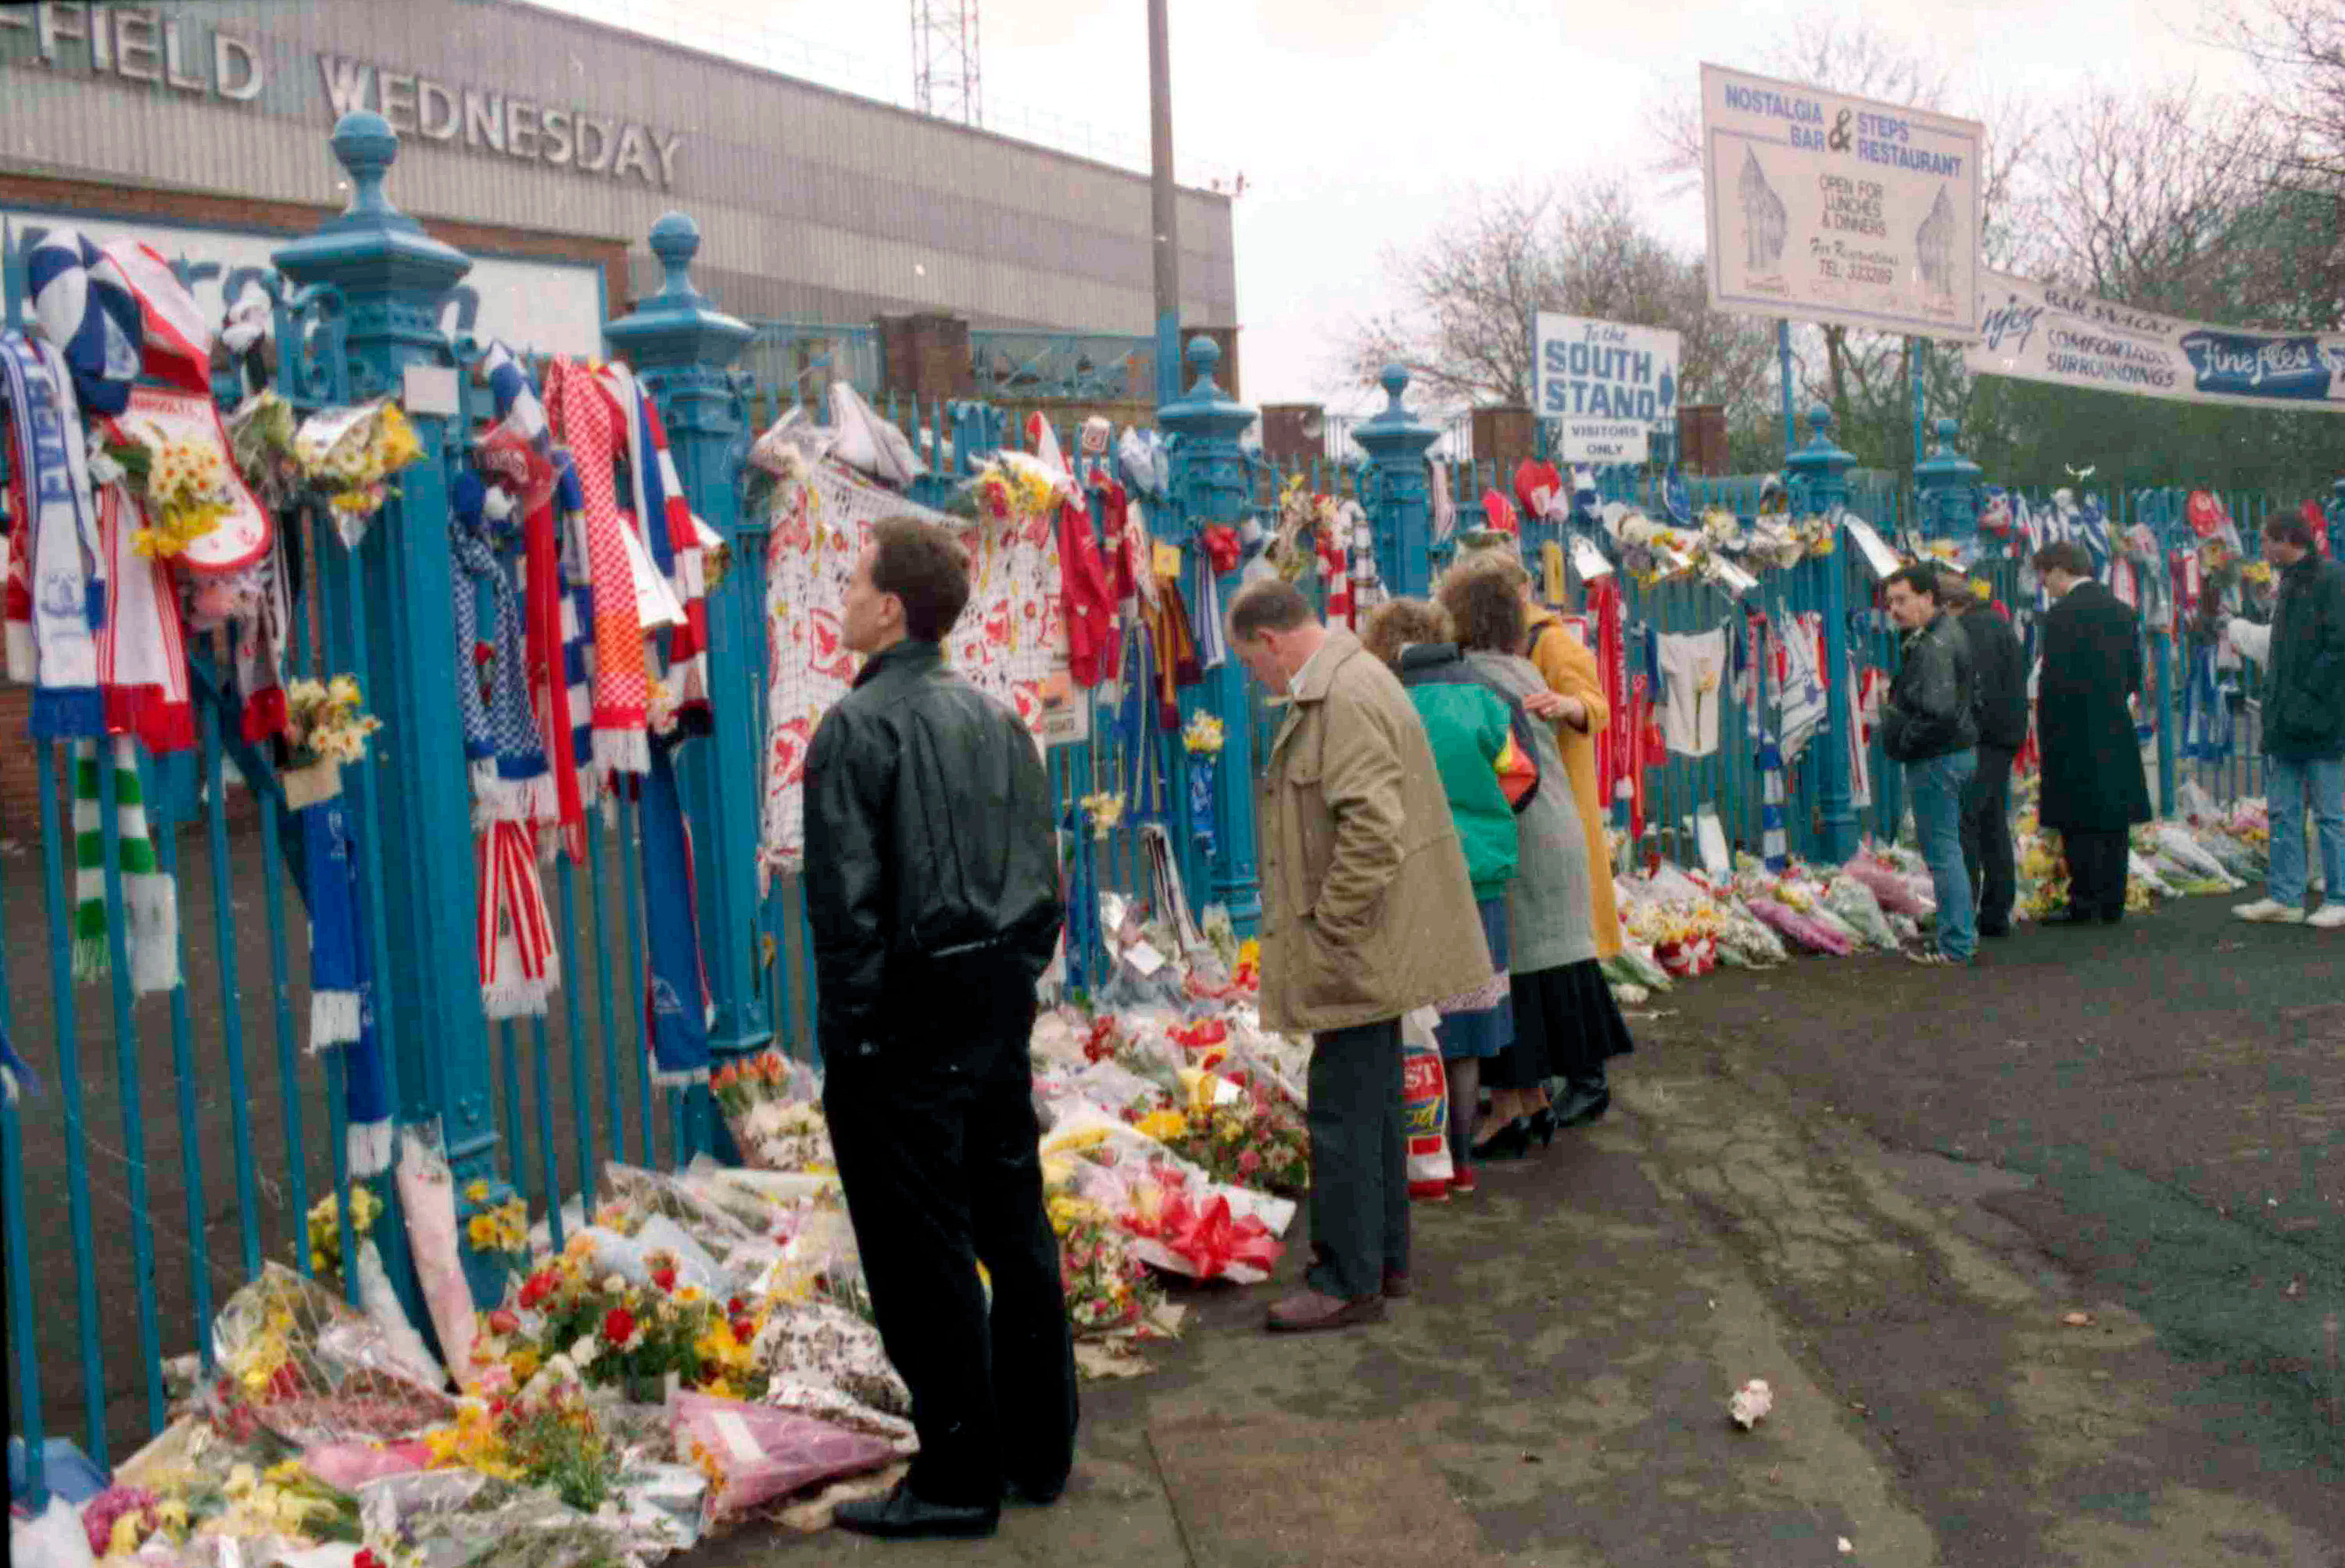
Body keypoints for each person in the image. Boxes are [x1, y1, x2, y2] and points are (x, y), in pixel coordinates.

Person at [804, 517, 1075, 1540]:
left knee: (924, 1255)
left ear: (892, 607)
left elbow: (847, 909)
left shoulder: (857, 727)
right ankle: (1038, 1448)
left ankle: (959, 1469)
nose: (843, 595)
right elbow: (1045, 881)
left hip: (906, 1028)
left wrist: (856, 1039)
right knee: (1013, 1226)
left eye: (856, 581)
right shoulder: (997, 719)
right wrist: (1009, 983)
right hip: (995, 1010)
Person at [1226, 578, 1491, 1332]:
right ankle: (1384, 1263)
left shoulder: (1338, 696)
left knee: (1344, 1111)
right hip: (1372, 940)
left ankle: (1345, 1279)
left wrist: (1329, 926)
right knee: (1373, 1107)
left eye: (1253, 663)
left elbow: (1372, 830)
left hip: (1356, 943)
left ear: (1271, 642)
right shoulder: (1358, 676)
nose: (1258, 679)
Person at [1440, 564, 1634, 1143]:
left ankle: (1523, 1105)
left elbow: (1594, 704)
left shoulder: (1493, 667)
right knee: (1553, 971)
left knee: (1520, 972)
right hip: (1555, 825)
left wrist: (1573, 709)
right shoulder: (1523, 664)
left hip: (1526, 832)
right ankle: (1530, 1100)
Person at [1362, 598, 1530, 1197]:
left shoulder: (1383, 701)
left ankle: (1418, 1161)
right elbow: (1520, 775)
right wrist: (1486, 819)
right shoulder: (1484, 697)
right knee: (1468, 1034)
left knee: (1416, 1026)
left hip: (1409, 876)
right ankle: (1462, 1165)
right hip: (1478, 879)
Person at [2232, 509, 2345, 928]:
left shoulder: (2329, 579)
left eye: (2266, 541)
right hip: (2287, 719)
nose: (2263, 549)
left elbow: (2339, 647)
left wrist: (2306, 695)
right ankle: (2286, 895)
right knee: (2282, 811)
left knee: (2330, 815)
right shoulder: (2291, 582)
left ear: (2286, 540)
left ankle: (2339, 896)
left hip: (2318, 720)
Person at [2032, 541, 2153, 925]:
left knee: (2077, 817)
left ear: (2060, 570)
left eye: (2045, 574)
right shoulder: (2121, 611)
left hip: (2070, 727)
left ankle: (2084, 900)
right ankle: (2113, 901)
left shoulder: (2059, 616)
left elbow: (2051, 682)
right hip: (2114, 723)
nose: (2044, 583)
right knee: (2113, 817)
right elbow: (2135, 673)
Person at [1881, 564, 1979, 965]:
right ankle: (1957, 936)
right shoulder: (1941, 634)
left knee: (1942, 850)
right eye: (1890, 602)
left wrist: (1903, 739)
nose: (1895, 609)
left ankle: (1956, 943)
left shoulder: (1935, 643)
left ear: (1928, 598)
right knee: (1948, 847)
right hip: (1952, 752)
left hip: (1937, 757)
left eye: (1902, 600)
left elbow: (1936, 711)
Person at [1940, 571, 2028, 939]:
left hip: (1981, 738)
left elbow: (1974, 691)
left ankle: (1967, 912)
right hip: (2002, 735)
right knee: (1991, 824)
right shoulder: (1996, 623)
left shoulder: (1968, 633)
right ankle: (1995, 909)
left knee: (1967, 825)